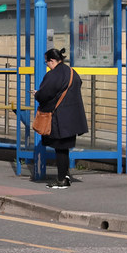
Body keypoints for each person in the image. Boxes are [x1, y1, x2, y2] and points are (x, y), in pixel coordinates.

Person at [35, 47, 88, 189]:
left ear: (52, 61)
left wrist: (36, 94)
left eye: (46, 62)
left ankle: (61, 179)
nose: (47, 65)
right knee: (64, 149)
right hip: (72, 118)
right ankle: (64, 175)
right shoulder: (72, 72)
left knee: (60, 149)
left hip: (59, 118)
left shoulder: (53, 75)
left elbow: (44, 94)